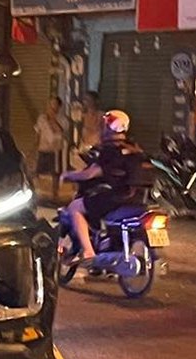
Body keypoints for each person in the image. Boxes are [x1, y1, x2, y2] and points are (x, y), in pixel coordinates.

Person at [59, 109, 144, 264]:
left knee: (75, 207)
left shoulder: (111, 149)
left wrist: (68, 175)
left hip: (119, 196)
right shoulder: (134, 147)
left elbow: (90, 174)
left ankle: (88, 251)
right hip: (138, 197)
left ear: (109, 127)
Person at [34, 95, 67, 190]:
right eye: (50, 104)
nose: (51, 107)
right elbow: (38, 133)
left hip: (55, 151)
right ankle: (37, 192)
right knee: (38, 172)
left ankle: (54, 193)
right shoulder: (42, 118)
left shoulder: (62, 120)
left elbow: (62, 132)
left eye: (54, 105)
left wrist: (53, 120)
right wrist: (34, 149)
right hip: (42, 149)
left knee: (55, 173)